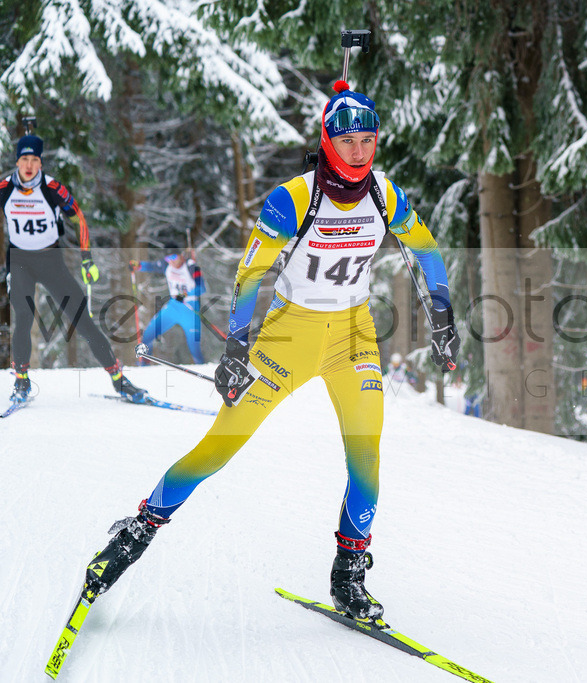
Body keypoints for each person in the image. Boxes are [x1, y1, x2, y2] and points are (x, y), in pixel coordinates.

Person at [82, 80, 461, 620]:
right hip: (289, 337)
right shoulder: (294, 198)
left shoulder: (385, 195)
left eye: (368, 140)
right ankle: (134, 533)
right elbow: (250, 272)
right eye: (348, 141)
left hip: (353, 336)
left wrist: (442, 316)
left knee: (367, 458)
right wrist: (236, 347)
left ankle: (349, 575)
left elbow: (426, 250)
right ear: (328, 140)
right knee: (219, 448)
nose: (359, 152)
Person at [2, 133, 146, 403]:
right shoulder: (4, 188)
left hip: (50, 261)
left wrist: (87, 259)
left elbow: (79, 219)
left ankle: (119, 379)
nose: (29, 165)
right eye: (24, 159)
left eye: (34, 159)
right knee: (23, 316)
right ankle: (21, 381)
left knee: (82, 318)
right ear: (17, 161)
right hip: (20, 261)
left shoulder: (53, 188)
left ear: (41, 162)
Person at [130, 245, 206, 363]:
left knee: (195, 348)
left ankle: (203, 369)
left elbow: (201, 288)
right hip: (173, 307)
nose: (171, 261)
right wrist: (138, 265)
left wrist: (185, 294)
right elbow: (152, 266)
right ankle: (143, 365)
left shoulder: (191, 267)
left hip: (190, 309)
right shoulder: (166, 265)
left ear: (180, 256)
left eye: (174, 257)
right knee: (147, 336)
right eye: (168, 258)